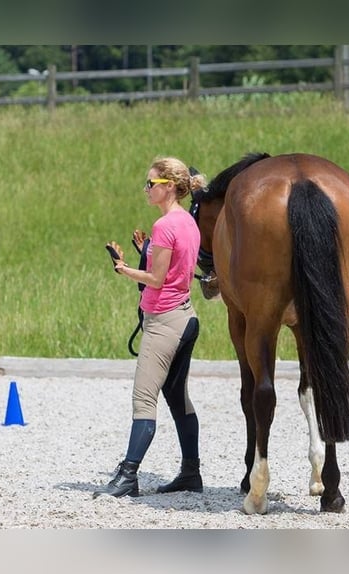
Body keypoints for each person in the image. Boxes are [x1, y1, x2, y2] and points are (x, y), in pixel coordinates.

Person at [94, 156, 206, 498]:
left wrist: (124, 269)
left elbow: (157, 279)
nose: (146, 189)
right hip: (186, 317)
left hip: (164, 323)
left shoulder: (164, 227)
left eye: (151, 184)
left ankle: (128, 476)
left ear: (169, 187)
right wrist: (146, 252)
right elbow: (174, 269)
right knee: (176, 397)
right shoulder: (188, 221)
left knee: (144, 399)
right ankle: (191, 473)